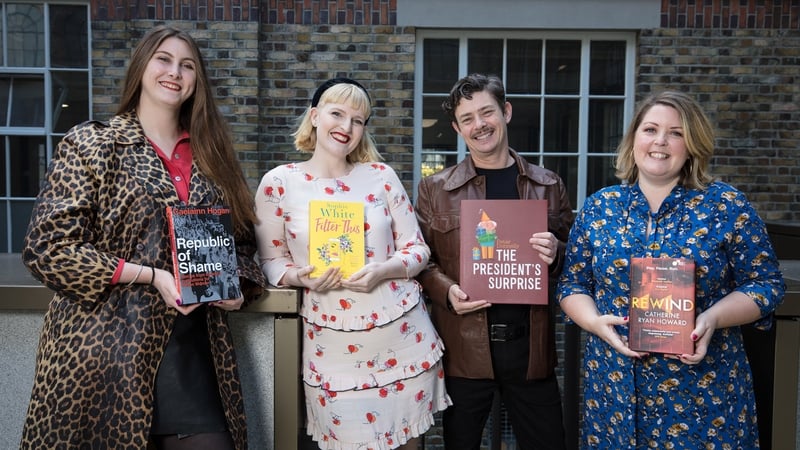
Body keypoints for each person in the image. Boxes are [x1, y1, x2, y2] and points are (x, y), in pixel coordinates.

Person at [20, 25, 266, 450]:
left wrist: (237, 288)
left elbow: (243, 244)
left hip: (193, 351)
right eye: (164, 60)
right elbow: (47, 248)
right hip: (103, 349)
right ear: (141, 68)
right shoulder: (95, 143)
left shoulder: (211, 155)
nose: (175, 72)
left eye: (187, 66)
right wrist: (150, 276)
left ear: (196, 81)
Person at [556, 90, 786, 448]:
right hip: (613, 392)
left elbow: (766, 284)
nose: (660, 141)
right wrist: (593, 323)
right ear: (634, 139)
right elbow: (572, 284)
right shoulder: (600, 207)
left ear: (692, 144)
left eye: (676, 133)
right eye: (650, 129)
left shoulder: (725, 205)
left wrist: (712, 318)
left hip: (705, 398)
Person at [254, 77, 451, 450]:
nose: (346, 127)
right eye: (337, 114)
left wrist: (383, 270)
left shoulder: (381, 177)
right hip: (333, 348)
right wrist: (302, 278)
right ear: (315, 116)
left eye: (358, 120)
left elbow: (418, 250)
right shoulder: (279, 183)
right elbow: (270, 260)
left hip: (401, 338)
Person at [415, 73, 573, 449]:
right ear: (456, 128)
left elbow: (576, 261)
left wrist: (556, 254)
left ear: (506, 112)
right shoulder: (434, 189)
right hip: (464, 350)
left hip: (531, 351)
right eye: (467, 118)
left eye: (487, 112)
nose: (479, 125)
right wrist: (446, 290)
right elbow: (420, 261)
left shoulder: (548, 185)